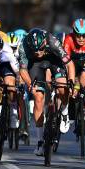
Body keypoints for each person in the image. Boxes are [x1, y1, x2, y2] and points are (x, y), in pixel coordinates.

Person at [18, 28, 76, 156]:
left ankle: (65, 111)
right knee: (38, 98)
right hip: (35, 64)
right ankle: (39, 141)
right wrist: (30, 86)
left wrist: (71, 82)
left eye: (40, 49)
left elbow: (70, 64)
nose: (38, 52)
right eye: (35, 50)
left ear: (45, 42)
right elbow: (23, 71)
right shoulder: (24, 46)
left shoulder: (52, 41)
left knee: (62, 87)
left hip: (54, 60)